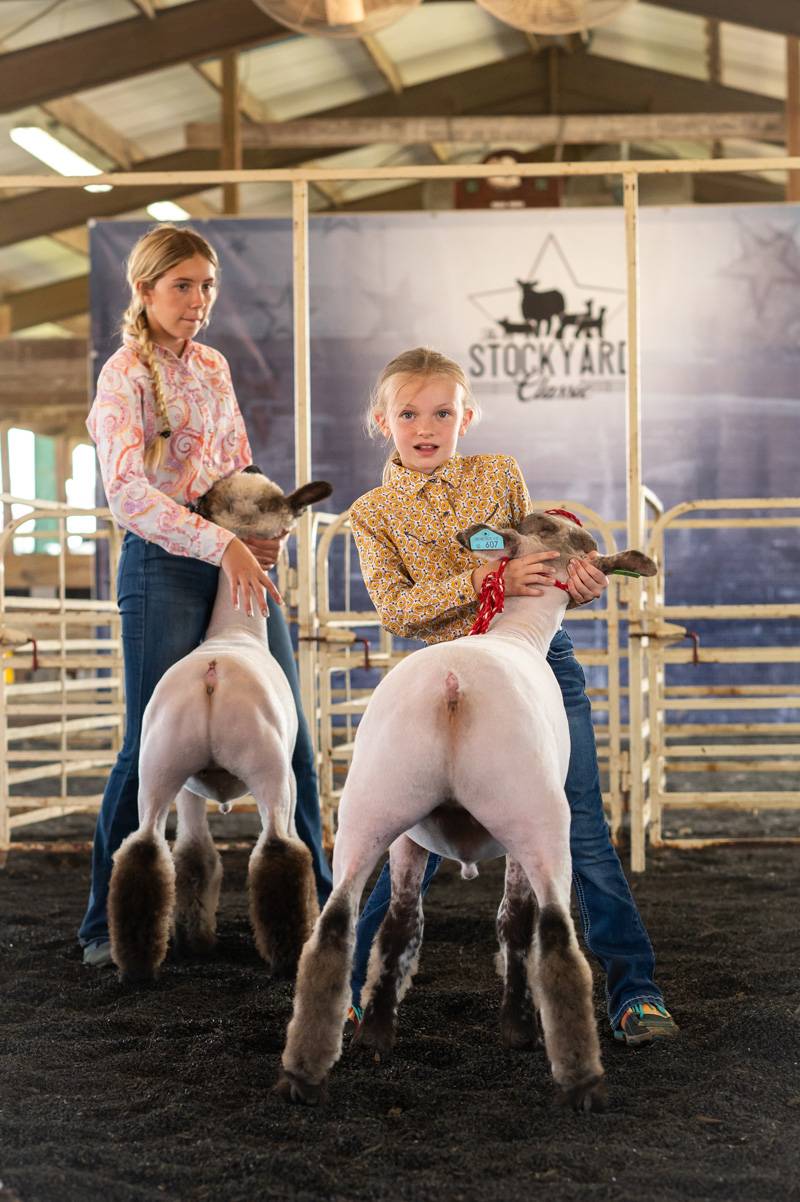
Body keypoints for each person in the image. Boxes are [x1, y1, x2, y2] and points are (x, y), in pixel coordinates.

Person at [345, 346, 678, 1046]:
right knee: (395, 834)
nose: (426, 426)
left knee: (579, 829)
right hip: (441, 677)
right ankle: (342, 991)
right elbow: (398, 610)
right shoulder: (372, 513)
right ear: (382, 420)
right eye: (409, 413)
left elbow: (540, 562)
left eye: (442, 412)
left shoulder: (498, 474)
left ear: (467, 416)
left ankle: (632, 990)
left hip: (536, 667)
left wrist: (576, 581)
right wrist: (481, 585)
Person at [79, 224, 332, 967]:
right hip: (163, 565)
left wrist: (258, 533)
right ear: (146, 290)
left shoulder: (214, 367)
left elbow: (236, 468)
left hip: (232, 560)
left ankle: (319, 907)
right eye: (183, 285)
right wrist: (220, 543)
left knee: (294, 735)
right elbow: (127, 493)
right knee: (145, 745)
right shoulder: (122, 375)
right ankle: (105, 924)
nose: (198, 300)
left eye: (207, 286)